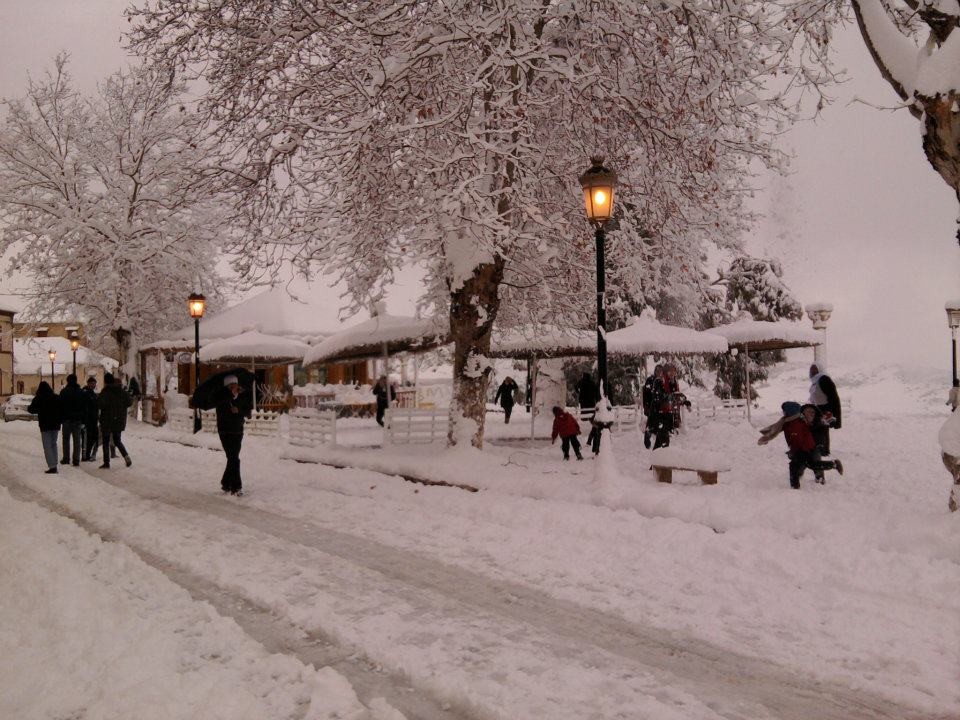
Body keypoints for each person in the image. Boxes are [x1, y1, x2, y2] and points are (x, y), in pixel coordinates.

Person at [759, 401, 843, 488]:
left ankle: (795, 487)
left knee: (795, 466)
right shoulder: (787, 421)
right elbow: (777, 429)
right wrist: (767, 437)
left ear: (790, 411)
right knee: (812, 464)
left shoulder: (796, 423)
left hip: (804, 448)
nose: (783, 413)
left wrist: (794, 451)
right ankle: (834, 464)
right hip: (803, 448)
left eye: (784, 411)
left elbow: (798, 439)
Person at [215, 374, 252, 495]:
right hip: (225, 431)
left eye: (235, 384)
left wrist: (239, 411)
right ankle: (236, 486)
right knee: (233, 458)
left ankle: (226, 483)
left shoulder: (242, 397)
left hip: (237, 431)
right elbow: (221, 415)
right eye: (231, 385)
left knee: (233, 458)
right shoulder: (221, 398)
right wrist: (230, 410)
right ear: (227, 387)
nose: (234, 387)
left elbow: (248, 413)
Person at [98, 372, 132, 469]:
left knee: (106, 441)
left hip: (107, 420)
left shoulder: (105, 392)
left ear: (105, 382)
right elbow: (129, 402)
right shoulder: (121, 392)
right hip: (118, 421)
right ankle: (126, 456)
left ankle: (106, 462)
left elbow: (100, 404)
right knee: (117, 440)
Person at [28, 381, 62, 474]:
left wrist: (40, 409)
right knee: (53, 444)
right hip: (55, 425)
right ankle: (54, 462)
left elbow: (31, 409)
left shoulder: (39, 398)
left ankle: (52, 466)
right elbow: (62, 409)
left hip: (45, 425)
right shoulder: (56, 397)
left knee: (47, 446)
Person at [808, 363, 841, 455]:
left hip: (825, 408)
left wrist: (831, 412)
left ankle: (824, 450)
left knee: (823, 429)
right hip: (817, 409)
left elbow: (832, 396)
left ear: (820, 369)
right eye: (812, 369)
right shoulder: (815, 381)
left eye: (815, 369)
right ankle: (817, 447)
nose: (813, 371)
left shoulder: (823, 379)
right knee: (817, 429)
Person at [58, 374, 85, 467]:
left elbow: (60, 406)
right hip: (77, 419)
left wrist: (61, 418)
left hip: (66, 419)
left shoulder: (64, 392)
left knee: (66, 439)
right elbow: (84, 406)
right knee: (77, 440)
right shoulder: (80, 392)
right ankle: (76, 459)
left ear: (68, 381)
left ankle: (66, 458)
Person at [641, 365, 664, 449]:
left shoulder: (662, 381)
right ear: (655, 371)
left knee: (659, 427)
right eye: (658, 371)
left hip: (660, 408)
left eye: (661, 371)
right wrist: (646, 406)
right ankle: (648, 442)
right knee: (650, 425)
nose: (659, 373)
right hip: (651, 407)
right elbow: (646, 394)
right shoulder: (650, 380)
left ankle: (658, 445)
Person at [80, 376, 99, 461]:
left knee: (93, 437)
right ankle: (85, 455)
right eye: (92, 384)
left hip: (93, 420)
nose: (93, 385)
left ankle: (87, 454)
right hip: (87, 420)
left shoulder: (93, 394)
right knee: (87, 438)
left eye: (94, 384)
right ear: (88, 384)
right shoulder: (85, 393)